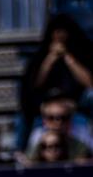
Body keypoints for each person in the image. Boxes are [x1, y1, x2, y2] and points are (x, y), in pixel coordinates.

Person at [19, 13, 93, 148]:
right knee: (22, 114)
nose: (60, 36)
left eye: (63, 32)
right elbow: (34, 85)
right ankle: (20, 151)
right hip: (47, 104)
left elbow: (90, 83)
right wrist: (51, 58)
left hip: (76, 104)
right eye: (57, 32)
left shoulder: (83, 52)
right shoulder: (40, 57)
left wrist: (68, 57)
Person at [24, 94, 93, 163]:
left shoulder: (82, 134)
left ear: (70, 118)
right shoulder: (38, 135)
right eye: (51, 118)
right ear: (44, 120)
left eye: (63, 118)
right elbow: (30, 162)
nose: (58, 122)